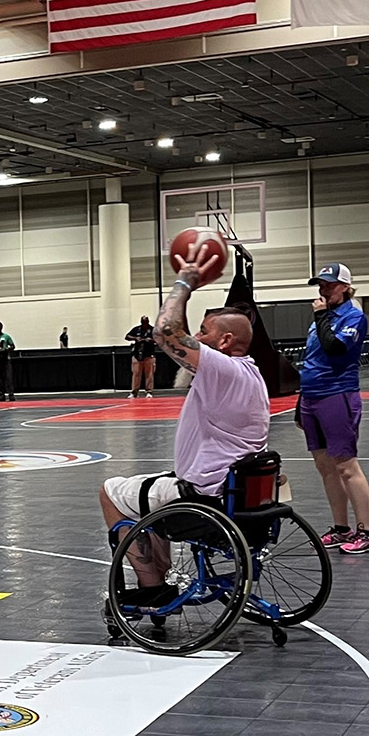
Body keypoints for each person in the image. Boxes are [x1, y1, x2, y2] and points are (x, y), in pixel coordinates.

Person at [96, 245, 270, 603]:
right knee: (149, 489)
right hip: (234, 493)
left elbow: (166, 332)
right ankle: (155, 572)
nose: (198, 339)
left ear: (225, 342)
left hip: (204, 497)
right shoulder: (251, 373)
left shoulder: (222, 368)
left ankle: (152, 585)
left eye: (204, 333)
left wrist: (185, 282)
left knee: (111, 491)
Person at [298, 265, 369, 554]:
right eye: (320, 284)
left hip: (336, 394)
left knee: (345, 465)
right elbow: (313, 357)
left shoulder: (352, 316)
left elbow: (336, 349)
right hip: (311, 395)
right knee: (324, 465)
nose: (323, 289)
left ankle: (365, 531)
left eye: (329, 285)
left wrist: (320, 317)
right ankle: (341, 528)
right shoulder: (323, 318)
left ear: (344, 286)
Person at [126, 316, 158, 397]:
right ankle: (134, 392)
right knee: (136, 373)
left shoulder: (152, 330)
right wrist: (136, 338)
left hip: (149, 355)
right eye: (143, 322)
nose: (144, 324)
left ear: (148, 321)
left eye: (145, 322)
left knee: (149, 374)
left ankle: (149, 391)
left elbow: (159, 339)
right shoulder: (137, 329)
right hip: (137, 354)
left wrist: (151, 340)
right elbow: (127, 336)